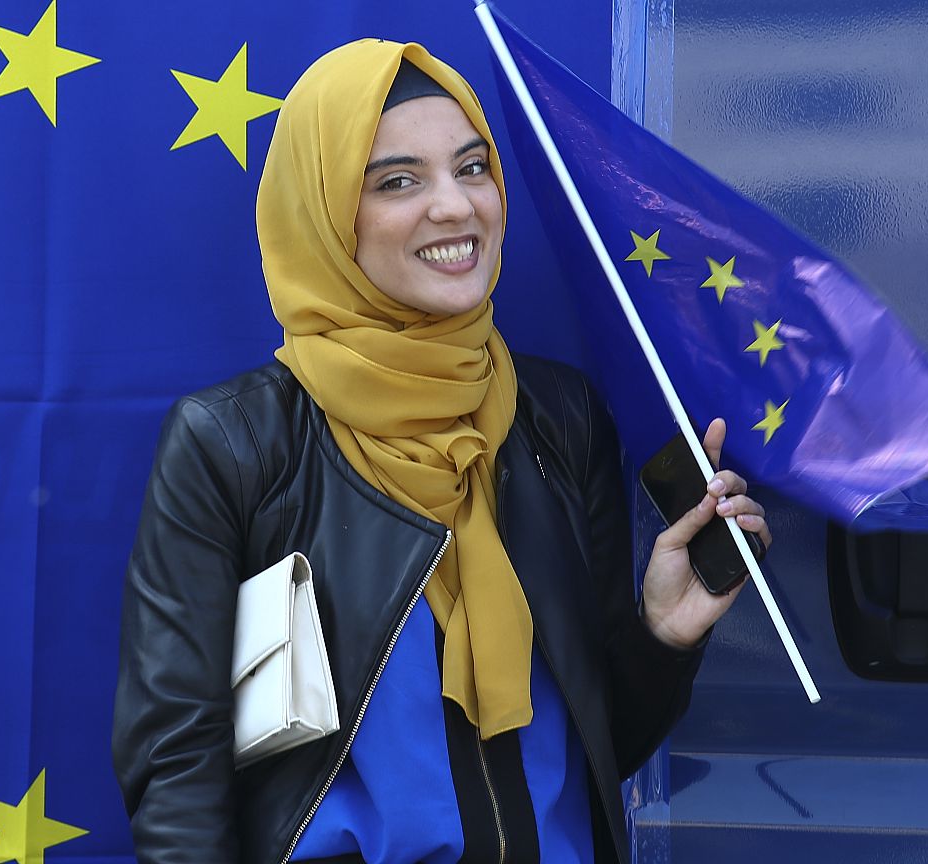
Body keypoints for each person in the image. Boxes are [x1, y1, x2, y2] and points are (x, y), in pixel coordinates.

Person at [112, 38, 771, 864]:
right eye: (397, 181)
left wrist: (664, 638)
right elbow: (177, 770)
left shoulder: (557, 418)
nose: (457, 208)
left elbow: (593, 754)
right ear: (322, 212)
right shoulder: (236, 443)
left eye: (472, 168)